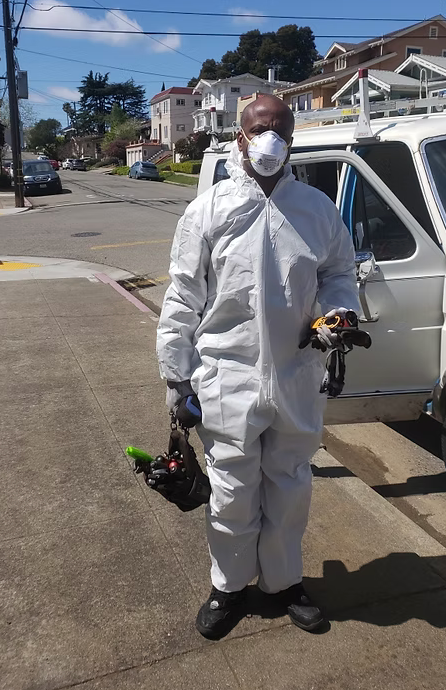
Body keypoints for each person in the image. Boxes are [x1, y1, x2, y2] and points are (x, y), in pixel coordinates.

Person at [157, 94, 359, 639]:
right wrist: (177, 377)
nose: (268, 137)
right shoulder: (208, 210)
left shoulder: (316, 210)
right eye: (258, 127)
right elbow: (181, 298)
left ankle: (284, 583)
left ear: (291, 139)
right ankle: (228, 587)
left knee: (290, 485)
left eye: (279, 128)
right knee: (231, 490)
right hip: (227, 376)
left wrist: (341, 311)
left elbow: (341, 272)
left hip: (297, 372)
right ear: (238, 137)